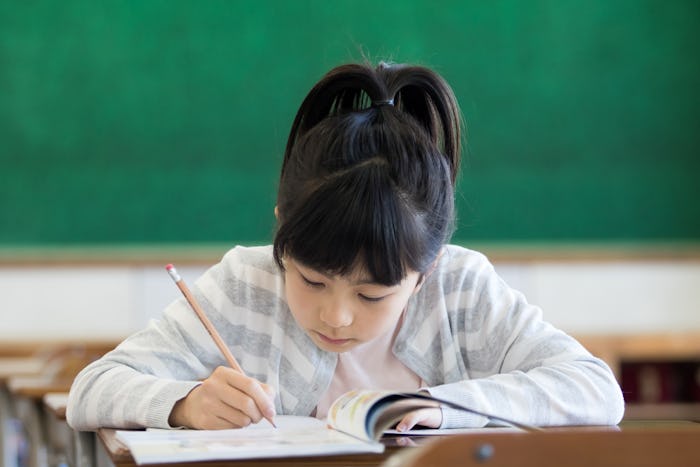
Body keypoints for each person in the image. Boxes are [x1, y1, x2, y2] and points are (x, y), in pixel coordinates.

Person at [67, 61, 624, 432]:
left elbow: (596, 390)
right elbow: (91, 390)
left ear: (424, 271)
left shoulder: (462, 288)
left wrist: (441, 408)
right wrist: (185, 405)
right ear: (283, 232)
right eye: (311, 280)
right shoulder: (244, 284)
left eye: (373, 293)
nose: (336, 315)